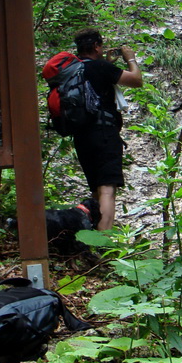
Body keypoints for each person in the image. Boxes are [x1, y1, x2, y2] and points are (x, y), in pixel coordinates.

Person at [70, 28, 142, 231]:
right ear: (96, 46)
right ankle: (103, 245)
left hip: (81, 137)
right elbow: (136, 80)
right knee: (107, 191)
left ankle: (95, 236)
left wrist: (107, 64)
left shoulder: (74, 68)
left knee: (96, 190)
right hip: (104, 135)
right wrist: (131, 59)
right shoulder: (100, 67)